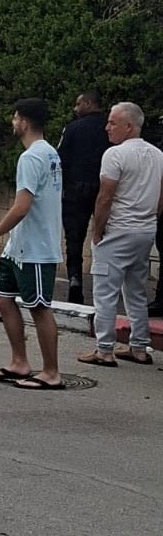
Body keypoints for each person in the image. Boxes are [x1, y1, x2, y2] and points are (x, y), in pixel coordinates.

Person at [0, 99, 64, 390]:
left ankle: (51, 372)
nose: (13, 123)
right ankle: (19, 362)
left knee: (39, 307)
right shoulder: (50, 152)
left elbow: (21, 207)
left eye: (15, 118)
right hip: (20, 247)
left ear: (24, 122)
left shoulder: (31, 158)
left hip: (36, 248)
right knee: (3, 298)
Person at [77, 101, 163, 367]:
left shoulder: (114, 155)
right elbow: (161, 197)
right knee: (136, 290)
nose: (107, 127)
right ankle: (138, 346)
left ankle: (104, 349)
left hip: (118, 231)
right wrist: (150, 219)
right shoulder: (158, 155)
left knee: (105, 290)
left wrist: (98, 231)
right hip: (145, 230)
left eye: (113, 122)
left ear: (129, 126)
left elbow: (105, 197)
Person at [56, 90, 109, 303]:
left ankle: (75, 280)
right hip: (103, 191)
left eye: (78, 104)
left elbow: (61, 160)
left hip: (76, 191)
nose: (75, 109)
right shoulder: (110, 127)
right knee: (103, 237)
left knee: (74, 239)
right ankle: (103, 284)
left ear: (88, 104)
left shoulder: (72, 129)